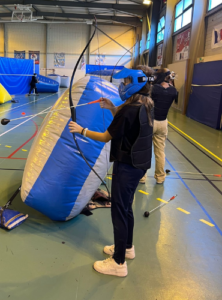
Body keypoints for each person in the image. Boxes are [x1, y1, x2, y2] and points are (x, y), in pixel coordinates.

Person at [69, 66, 154, 277]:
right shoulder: (145, 103)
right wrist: (111, 107)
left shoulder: (129, 108)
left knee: (119, 211)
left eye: (125, 82)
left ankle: (118, 263)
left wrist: (81, 131)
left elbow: (108, 136)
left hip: (127, 166)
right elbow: (127, 125)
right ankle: (127, 248)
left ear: (135, 83)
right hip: (139, 165)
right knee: (126, 208)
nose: (122, 85)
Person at [140, 68, 178, 184]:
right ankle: (160, 177)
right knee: (160, 151)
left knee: (145, 150)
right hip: (163, 123)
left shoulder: (153, 89)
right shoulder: (173, 91)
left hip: (151, 122)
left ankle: (142, 177)